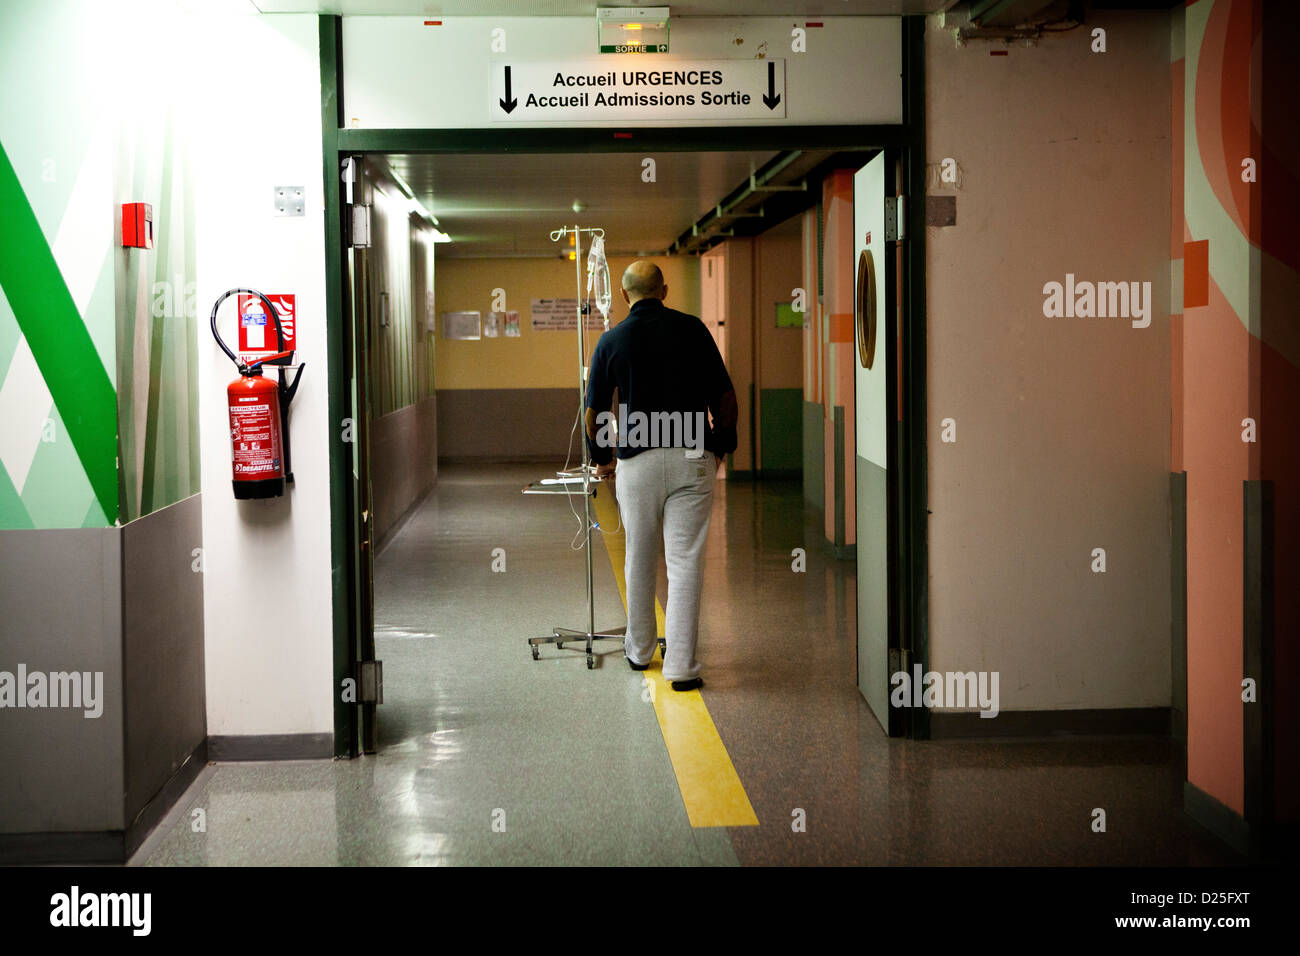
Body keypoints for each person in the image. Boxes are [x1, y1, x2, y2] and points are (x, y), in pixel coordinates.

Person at [583, 261, 738, 691]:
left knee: (639, 555)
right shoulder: (694, 330)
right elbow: (724, 396)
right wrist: (722, 446)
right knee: (685, 561)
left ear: (623, 292)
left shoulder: (611, 340)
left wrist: (603, 458)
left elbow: (594, 409)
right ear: (664, 290)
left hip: (639, 460)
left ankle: (639, 652)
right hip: (693, 453)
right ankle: (683, 668)